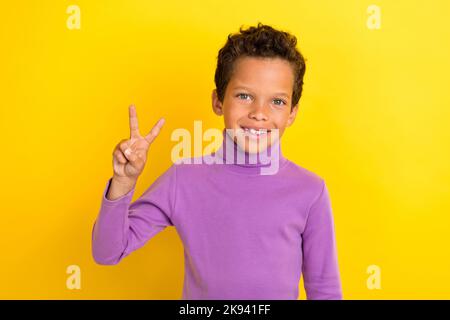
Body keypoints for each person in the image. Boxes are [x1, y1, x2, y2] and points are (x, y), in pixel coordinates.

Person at [91, 22, 343, 300]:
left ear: (292, 113)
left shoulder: (310, 191)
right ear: (218, 101)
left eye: (277, 102)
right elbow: (108, 252)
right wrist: (124, 182)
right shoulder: (183, 180)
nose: (260, 113)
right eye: (244, 96)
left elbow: (325, 291)